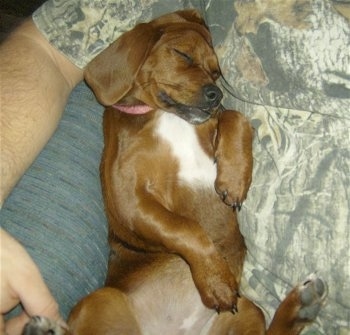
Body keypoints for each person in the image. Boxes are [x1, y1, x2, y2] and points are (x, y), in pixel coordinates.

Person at [1, 1, 349, 335]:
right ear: (136, 54)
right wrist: (196, 245)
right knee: (99, 308)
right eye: (184, 58)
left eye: (213, 75)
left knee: (247, 315)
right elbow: (130, 210)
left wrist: (235, 128)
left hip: (224, 306)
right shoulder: (125, 126)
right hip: (140, 297)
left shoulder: (211, 118)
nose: (210, 86)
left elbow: (228, 118)